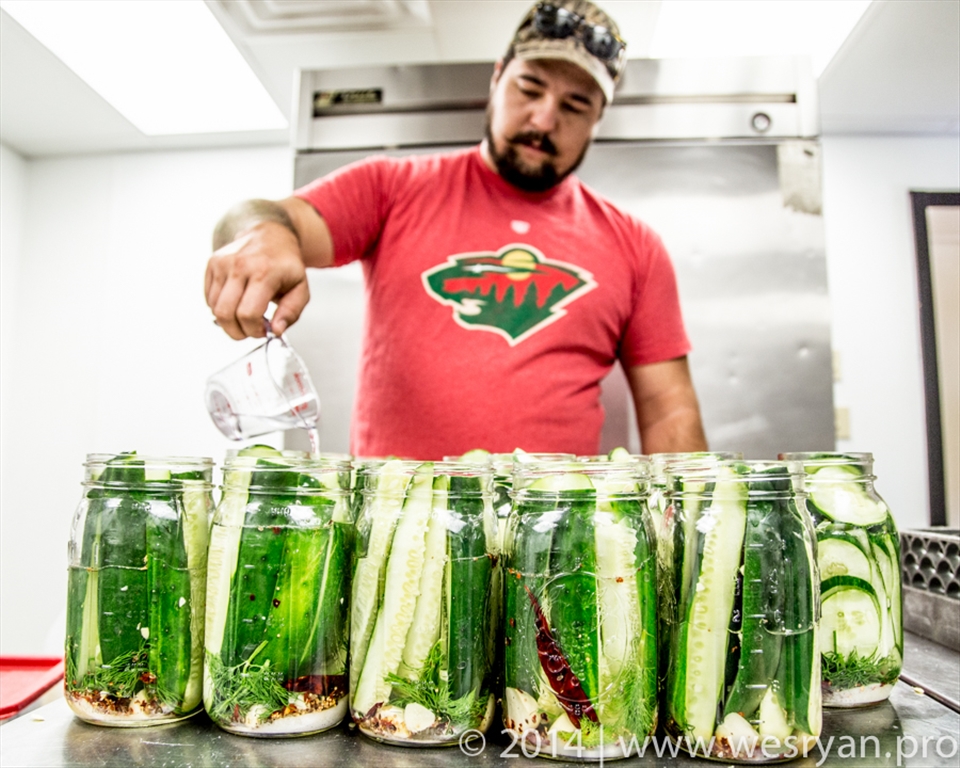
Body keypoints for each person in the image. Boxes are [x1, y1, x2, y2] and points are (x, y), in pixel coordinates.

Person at [205, 0, 708, 460]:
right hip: (399, 532)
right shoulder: (392, 188)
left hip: (554, 540)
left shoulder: (635, 245)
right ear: (496, 80)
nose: (544, 117)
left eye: (575, 106)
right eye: (529, 88)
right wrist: (259, 235)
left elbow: (670, 408)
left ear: (599, 119)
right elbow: (264, 218)